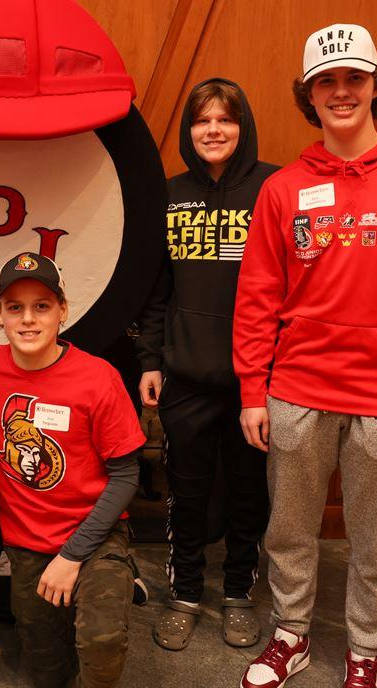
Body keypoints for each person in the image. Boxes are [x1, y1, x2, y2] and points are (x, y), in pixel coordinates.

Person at [233, 24, 377, 688]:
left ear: (376, 87)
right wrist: (254, 389)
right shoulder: (283, 189)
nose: (341, 93)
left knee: (375, 545)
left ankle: (365, 651)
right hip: (296, 393)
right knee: (289, 534)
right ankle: (291, 636)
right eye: (325, 82)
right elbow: (257, 296)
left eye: (353, 79)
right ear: (309, 96)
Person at [0, 253, 147, 688]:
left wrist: (73, 555)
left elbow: (125, 476)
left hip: (94, 535)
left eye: (41, 306)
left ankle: (116, 581)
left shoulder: (98, 378)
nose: (28, 319)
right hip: (24, 545)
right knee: (44, 664)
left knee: (101, 640)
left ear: (63, 310)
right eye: (15, 308)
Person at [136, 78, 277, 650]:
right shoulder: (169, 195)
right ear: (188, 132)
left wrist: (267, 378)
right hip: (185, 377)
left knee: (250, 493)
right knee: (186, 494)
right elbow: (156, 289)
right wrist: (149, 358)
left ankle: (240, 591)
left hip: (256, 382)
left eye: (225, 119)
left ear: (243, 128)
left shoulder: (274, 187)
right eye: (201, 121)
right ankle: (186, 592)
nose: (213, 130)